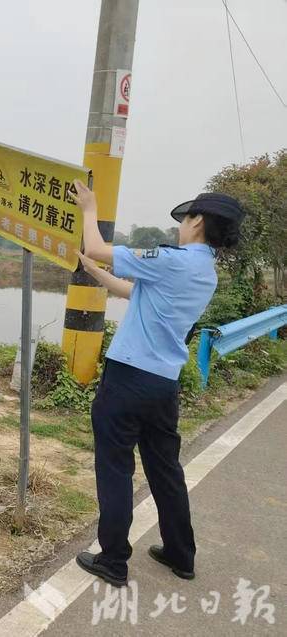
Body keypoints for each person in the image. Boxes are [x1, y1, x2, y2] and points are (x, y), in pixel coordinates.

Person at [71, 181, 245, 587]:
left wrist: (90, 208)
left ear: (198, 221)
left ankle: (112, 560)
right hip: (163, 386)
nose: (180, 226)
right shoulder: (204, 272)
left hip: (128, 379)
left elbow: (98, 245)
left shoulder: (171, 259)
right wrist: (95, 271)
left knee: (114, 466)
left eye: (185, 219)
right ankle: (181, 554)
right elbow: (133, 291)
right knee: (165, 469)